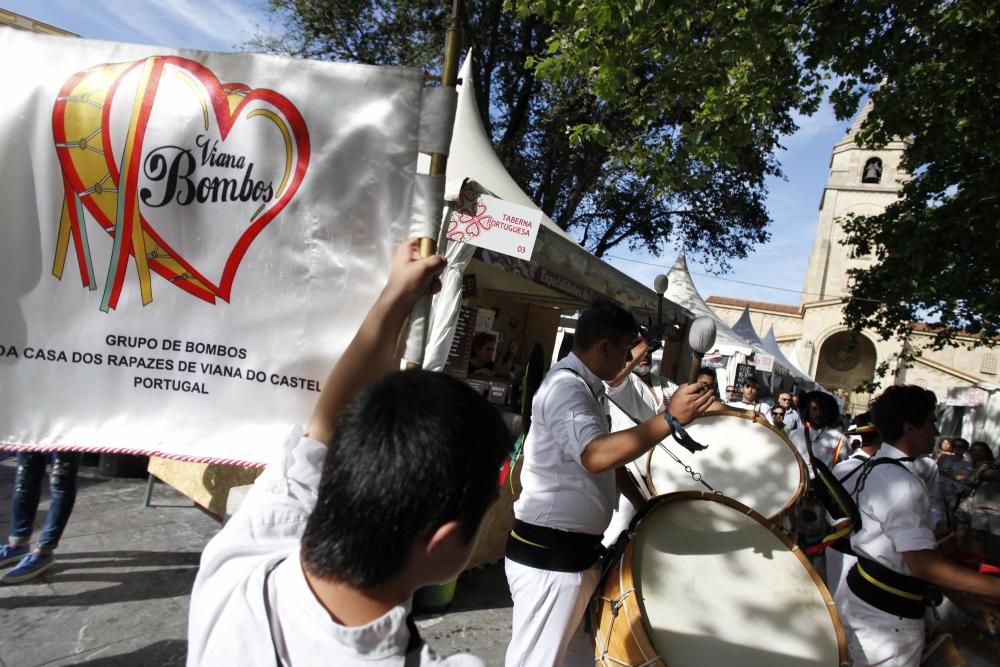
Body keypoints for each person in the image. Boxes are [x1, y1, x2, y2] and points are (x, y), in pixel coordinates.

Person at [187, 239, 509, 666]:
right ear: (443, 543)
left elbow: (322, 429)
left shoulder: (244, 558)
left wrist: (395, 296)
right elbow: (325, 432)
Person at [504, 301, 714, 667]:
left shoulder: (590, 387)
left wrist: (644, 504)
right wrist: (668, 419)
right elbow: (596, 455)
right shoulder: (565, 388)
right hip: (552, 559)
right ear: (604, 348)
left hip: (576, 556)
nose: (626, 361)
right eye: (624, 350)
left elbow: (606, 465)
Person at [835, 385, 1000, 667]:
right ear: (909, 427)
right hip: (886, 623)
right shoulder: (901, 484)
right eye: (931, 423)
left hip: (871, 607)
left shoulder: (880, 468)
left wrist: (966, 604)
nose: (936, 433)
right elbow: (922, 565)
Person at [0, 451, 82, 584]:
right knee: (25, 475)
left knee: (61, 477)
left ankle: (44, 551)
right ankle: (18, 545)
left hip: (68, 431)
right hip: (33, 431)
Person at [789, 391, 847, 476]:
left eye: (822, 409)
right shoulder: (795, 435)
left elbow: (843, 468)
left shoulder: (838, 438)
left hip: (823, 487)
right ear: (808, 409)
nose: (819, 413)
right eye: (814, 409)